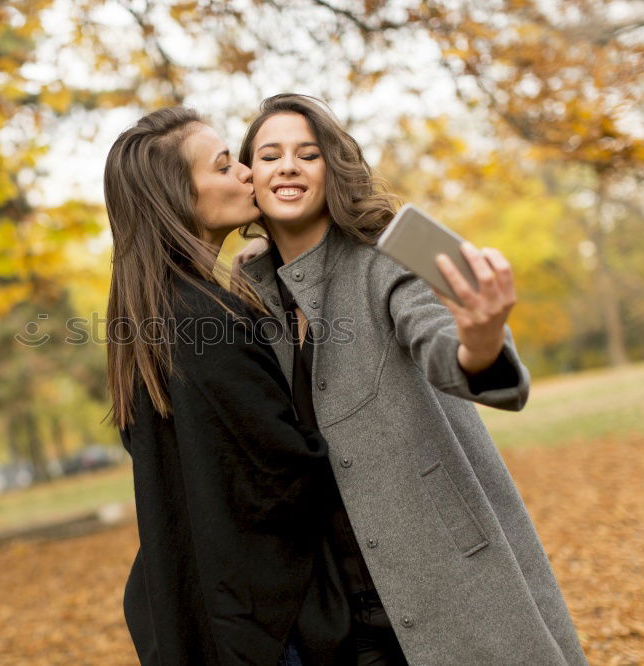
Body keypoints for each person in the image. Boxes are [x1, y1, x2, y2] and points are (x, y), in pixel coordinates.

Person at [232, 93, 588, 665]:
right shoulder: (248, 285)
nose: (288, 166)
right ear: (250, 176)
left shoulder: (390, 253)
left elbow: (450, 349)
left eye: (308, 154)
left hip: (442, 569)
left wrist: (479, 341)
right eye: (270, 155)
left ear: (334, 168)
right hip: (332, 605)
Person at [105, 106, 344, 665]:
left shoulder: (147, 316)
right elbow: (284, 472)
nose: (244, 172)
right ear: (177, 199)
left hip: (204, 614)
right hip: (262, 627)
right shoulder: (202, 321)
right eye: (221, 167)